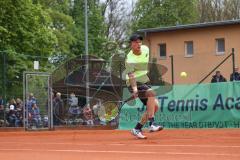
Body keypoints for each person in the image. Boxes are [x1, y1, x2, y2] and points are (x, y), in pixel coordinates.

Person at [125, 34, 163, 139]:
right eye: (136, 42)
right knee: (152, 93)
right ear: (131, 44)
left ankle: (137, 129)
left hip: (144, 79)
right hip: (133, 81)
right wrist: (135, 89)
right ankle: (152, 124)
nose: (139, 44)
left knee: (155, 106)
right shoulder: (129, 59)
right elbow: (131, 75)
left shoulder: (145, 49)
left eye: (140, 41)